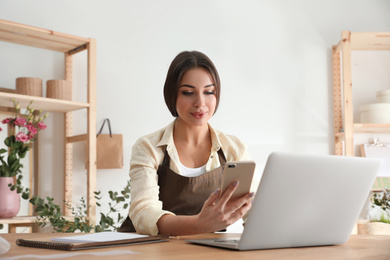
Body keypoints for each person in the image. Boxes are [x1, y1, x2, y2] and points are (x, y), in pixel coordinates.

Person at [119, 51, 255, 236]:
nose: (200, 103)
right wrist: (199, 224)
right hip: (151, 249)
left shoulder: (234, 148)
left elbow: (251, 208)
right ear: (172, 94)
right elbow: (143, 213)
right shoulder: (149, 147)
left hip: (203, 250)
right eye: (188, 93)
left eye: (209, 92)